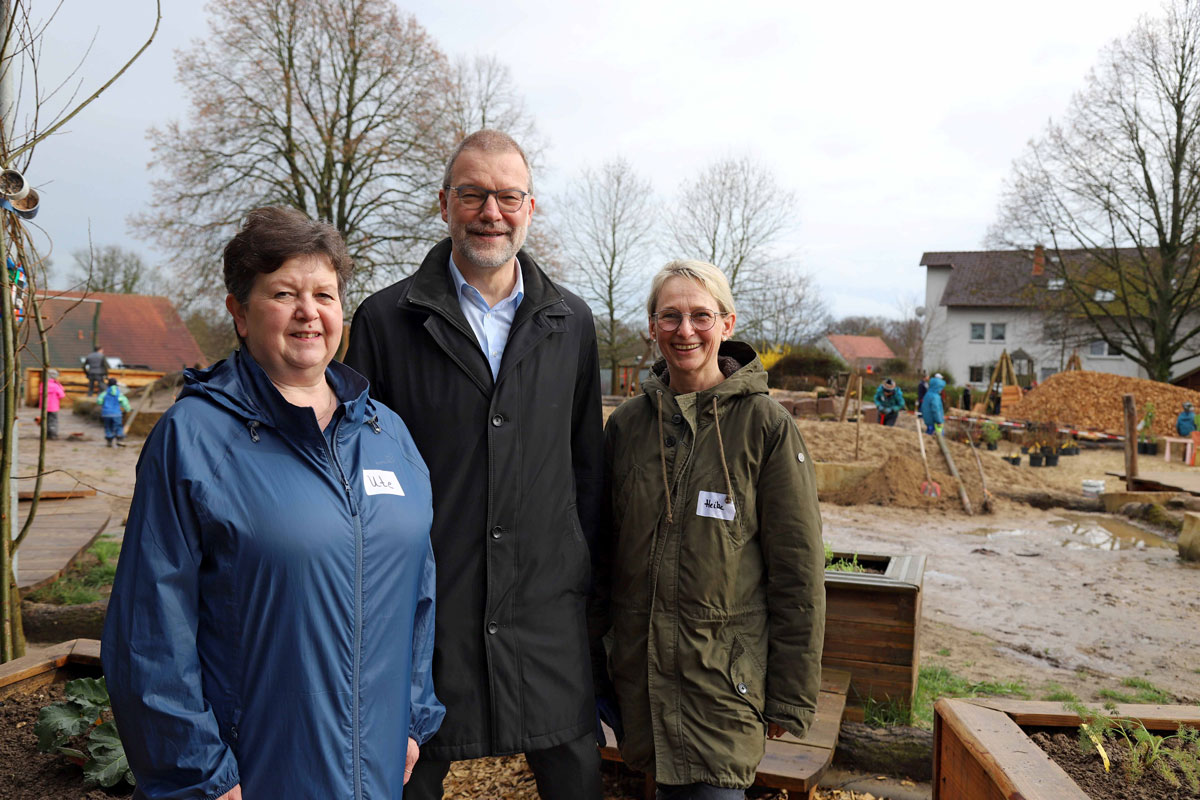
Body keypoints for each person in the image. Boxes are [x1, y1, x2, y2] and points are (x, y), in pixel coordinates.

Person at [102, 207, 444, 800]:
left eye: (325, 294)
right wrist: (201, 778)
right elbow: (149, 629)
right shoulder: (194, 439)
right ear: (239, 312)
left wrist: (412, 720)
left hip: (377, 776)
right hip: (253, 777)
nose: (309, 312)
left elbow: (419, 593)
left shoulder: (389, 435)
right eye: (284, 293)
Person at [345, 130, 604, 800]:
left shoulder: (570, 322)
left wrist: (583, 577)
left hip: (546, 609)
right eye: (473, 194)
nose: (492, 211)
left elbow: (585, 467)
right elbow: (358, 471)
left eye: (508, 196)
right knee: (405, 776)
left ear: (531, 205)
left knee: (575, 775)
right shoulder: (385, 320)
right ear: (444, 204)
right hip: (429, 606)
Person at [596, 260, 826, 798]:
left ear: (727, 323)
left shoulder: (765, 427)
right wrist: (595, 666)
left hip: (723, 683)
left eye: (701, 315)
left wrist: (790, 694)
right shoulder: (628, 427)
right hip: (643, 676)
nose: (685, 330)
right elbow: (601, 559)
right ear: (652, 327)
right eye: (670, 316)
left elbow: (798, 572)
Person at [95, 378, 131, 447]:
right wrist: (128, 409)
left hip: (106, 414)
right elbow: (125, 402)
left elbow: (99, 401)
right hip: (117, 414)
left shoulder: (104, 393)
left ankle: (109, 441)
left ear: (108, 384)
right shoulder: (119, 394)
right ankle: (119, 440)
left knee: (108, 427)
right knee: (118, 426)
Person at [38, 368, 66, 440]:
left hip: (44, 407)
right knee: (53, 421)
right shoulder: (56, 386)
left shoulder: (42, 385)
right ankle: (53, 435)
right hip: (53, 407)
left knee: (45, 420)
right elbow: (62, 395)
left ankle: (45, 434)